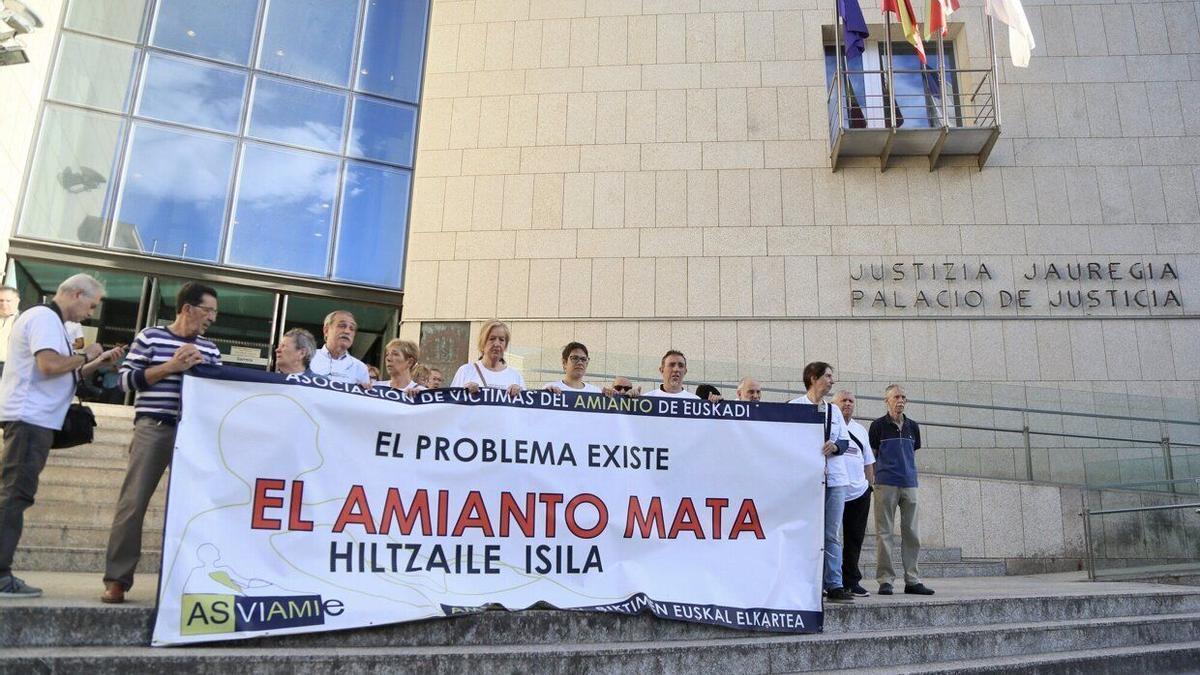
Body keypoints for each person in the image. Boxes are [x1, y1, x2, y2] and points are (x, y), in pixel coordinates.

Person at [0, 274, 124, 598]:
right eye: (91, 305)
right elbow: (48, 365)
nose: (91, 313)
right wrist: (86, 355)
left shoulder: (51, 321)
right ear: (77, 294)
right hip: (29, 419)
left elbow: (64, 370)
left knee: (15, 494)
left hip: (35, 420)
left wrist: (96, 361)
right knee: (15, 496)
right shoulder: (43, 317)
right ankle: (0, 576)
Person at [102, 282, 222, 604]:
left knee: (197, 508)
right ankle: (117, 580)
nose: (212, 317)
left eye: (214, 311)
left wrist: (203, 370)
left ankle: (192, 580)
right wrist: (172, 366)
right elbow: (125, 379)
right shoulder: (150, 337)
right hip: (153, 428)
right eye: (208, 310)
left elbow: (219, 395)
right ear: (187, 308)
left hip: (194, 435)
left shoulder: (211, 349)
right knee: (133, 504)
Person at [789, 361, 854, 604]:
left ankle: (834, 583)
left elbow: (846, 442)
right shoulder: (794, 407)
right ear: (813, 378)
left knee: (831, 533)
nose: (832, 381)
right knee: (804, 530)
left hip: (835, 479)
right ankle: (803, 579)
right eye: (828, 376)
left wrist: (835, 446)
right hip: (805, 481)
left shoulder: (834, 411)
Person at [870, 384, 933, 596]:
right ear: (886, 400)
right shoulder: (877, 426)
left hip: (909, 483)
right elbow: (873, 455)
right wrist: (873, 481)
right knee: (884, 533)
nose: (901, 400)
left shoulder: (913, 426)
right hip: (885, 483)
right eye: (896, 397)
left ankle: (912, 579)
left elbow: (911, 453)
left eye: (904, 397)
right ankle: (885, 580)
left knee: (912, 532)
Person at [833, 389, 875, 597]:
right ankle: (831, 581)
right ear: (834, 403)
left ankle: (851, 581)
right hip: (836, 490)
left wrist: (869, 487)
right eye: (843, 400)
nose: (847, 404)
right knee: (831, 538)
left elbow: (868, 461)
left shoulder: (860, 429)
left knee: (854, 539)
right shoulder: (829, 426)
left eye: (850, 401)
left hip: (859, 493)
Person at [450, 320, 524, 397]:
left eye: (501, 339)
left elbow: (525, 407)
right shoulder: (465, 371)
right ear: (482, 342)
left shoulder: (515, 376)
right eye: (492, 339)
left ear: (505, 345)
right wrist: (464, 393)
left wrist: (520, 395)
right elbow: (451, 403)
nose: (497, 344)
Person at [309, 311, 369, 385]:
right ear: (326, 330)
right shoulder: (307, 357)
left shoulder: (360, 368)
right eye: (342, 326)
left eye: (352, 328)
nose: (347, 331)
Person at [0, 286, 21, 377]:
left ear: (17, 301)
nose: (4, 304)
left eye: (8, 301)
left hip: (8, 368)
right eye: (1, 300)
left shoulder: (23, 320)